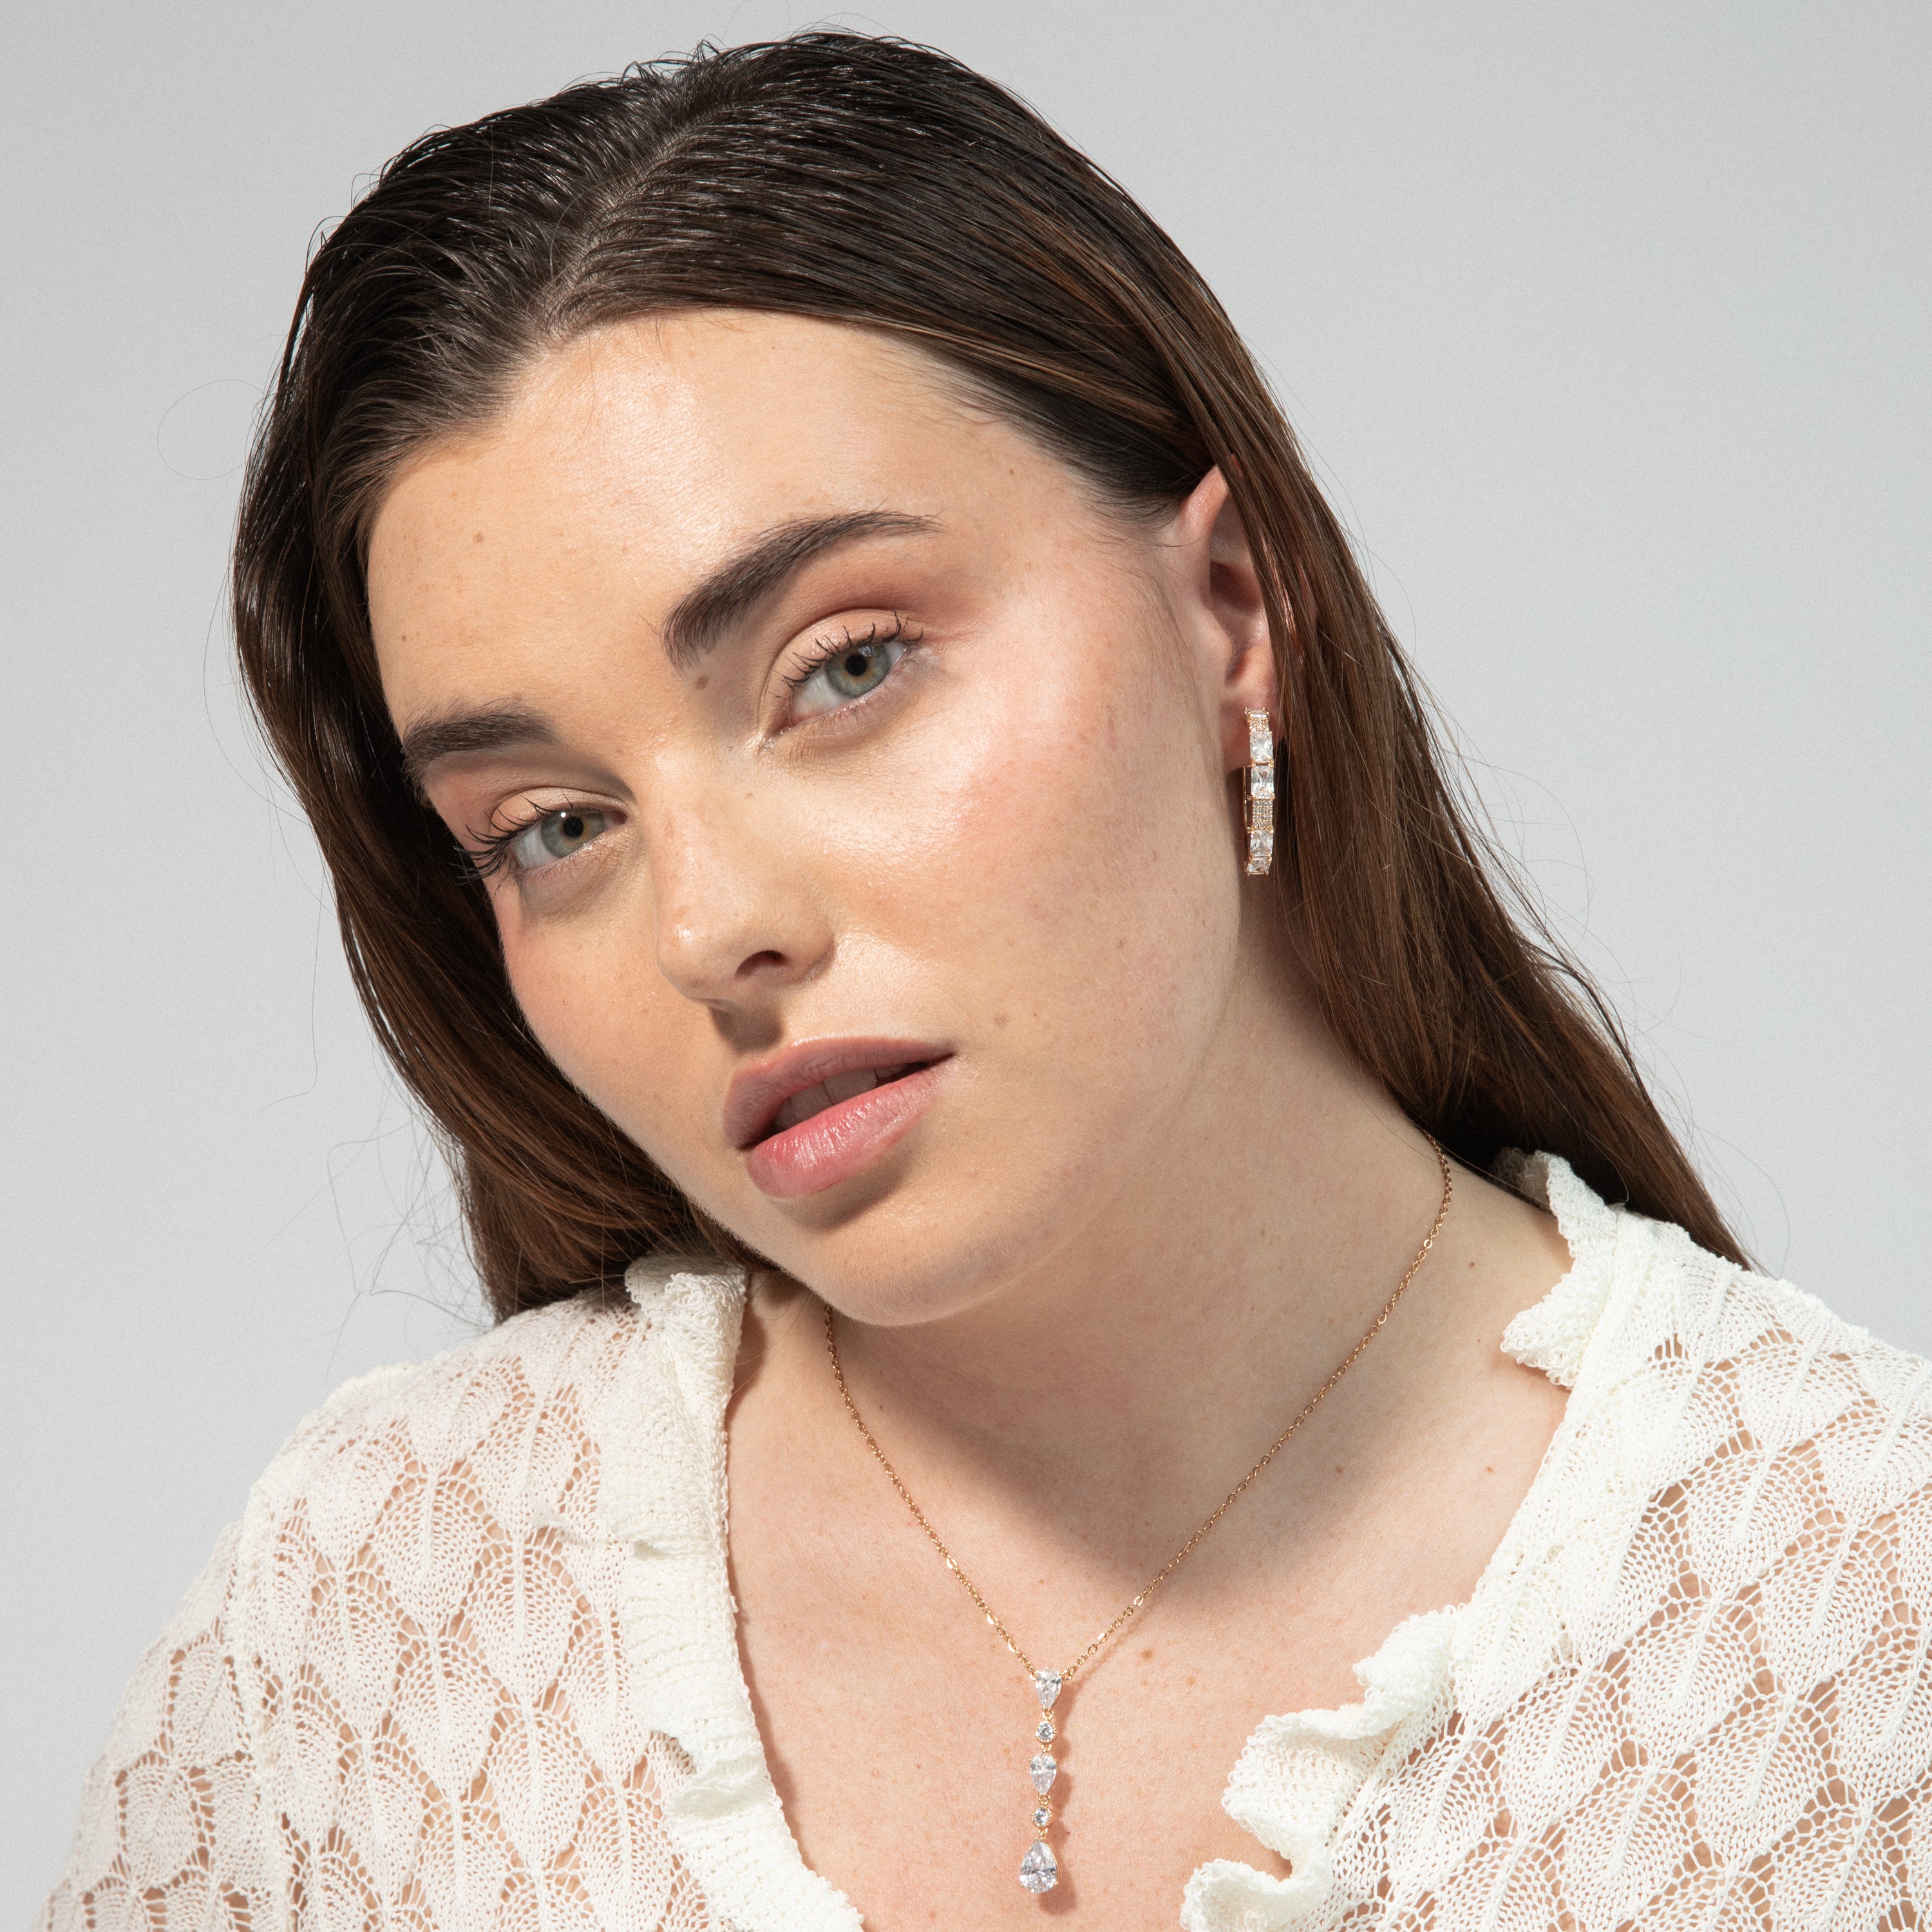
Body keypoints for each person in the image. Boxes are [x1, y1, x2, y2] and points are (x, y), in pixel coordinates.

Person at [41, 32, 1932, 1932]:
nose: (709, 929)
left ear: (1234, 613)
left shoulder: (1868, 1620)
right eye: (551, 826)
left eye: (846, 667)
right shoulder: (371, 1623)